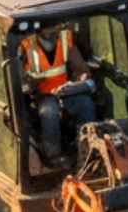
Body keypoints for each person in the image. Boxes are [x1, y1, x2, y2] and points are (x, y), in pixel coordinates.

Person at [19, 25, 97, 163]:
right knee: (49, 113)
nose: (51, 29)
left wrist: (81, 80)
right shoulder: (26, 45)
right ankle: (53, 157)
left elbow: (81, 68)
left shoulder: (65, 39)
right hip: (42, 95)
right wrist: (30, 83)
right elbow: (19, 78)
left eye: (54, 25)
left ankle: (87, 149)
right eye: (47, 25)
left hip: (66, 91)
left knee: (85, 104)